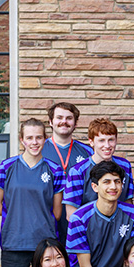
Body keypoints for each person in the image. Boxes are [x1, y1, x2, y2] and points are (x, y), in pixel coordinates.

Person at [0, 118, 65, 267]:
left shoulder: (54, 169)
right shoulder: (7, 167)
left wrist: (36, 218)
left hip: (44, 243)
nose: (34, 142)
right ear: (22, 140)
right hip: (14, 240)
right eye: (29, 138)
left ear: (45, 139)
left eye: (39, 137)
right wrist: (18, 216)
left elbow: (57, 212)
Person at [42, 102, 93, 243]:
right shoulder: (38, 151)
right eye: (59, 117)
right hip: (47, 220)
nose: (64, 121)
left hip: (80, 220)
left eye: (69, 118)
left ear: (75, 123)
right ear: (51, 122)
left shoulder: (89, 152)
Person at [63, 118, 134, 218]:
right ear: (91, 142)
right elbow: (71, 213)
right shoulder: (77, 171)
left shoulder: (125, 166)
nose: (107, 145)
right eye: (101, 140)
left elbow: (128, 202)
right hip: (89, 228)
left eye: (111, 140)